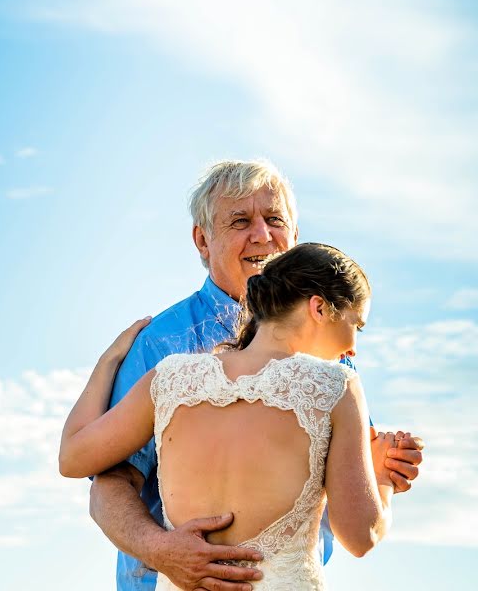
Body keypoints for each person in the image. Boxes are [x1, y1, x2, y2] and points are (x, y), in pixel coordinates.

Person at [88, 160, 424, 590]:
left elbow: (347, 490)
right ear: (202, 240)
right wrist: (158, 549)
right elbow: (108, 480)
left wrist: (385, 465)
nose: (263, 236)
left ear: (295, 237)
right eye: (240, 221)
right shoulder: (160, 344)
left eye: (275, 220)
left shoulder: (333, 352)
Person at [61, 243, 398, 589]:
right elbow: (361, 536)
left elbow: (72, 458)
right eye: (356, 324)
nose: (353, 347)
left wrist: (107, 364)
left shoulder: (170, 379)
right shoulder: (335, 386)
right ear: (319, 308)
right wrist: (382, 476)